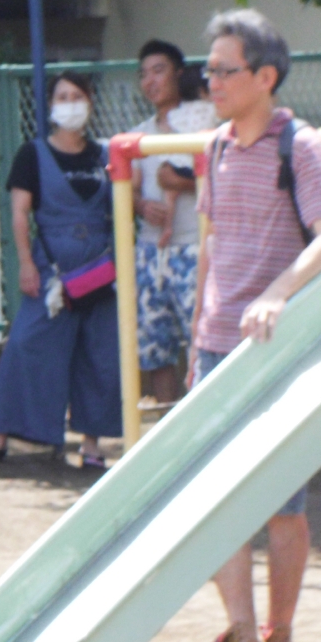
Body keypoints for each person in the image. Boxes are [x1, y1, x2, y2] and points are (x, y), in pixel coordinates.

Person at [191, 9, 321, 642]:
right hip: (216, 347)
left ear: (265, 77)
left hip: (278, 353)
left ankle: (279, 639)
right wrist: (197, 332)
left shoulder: (298, 145)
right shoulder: (216, 145)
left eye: (225, 71)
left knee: (284, 507)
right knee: (218, 500)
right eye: (209, 70)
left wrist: (279, 292)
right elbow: (212, 242)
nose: (213, 82)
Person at [0, 72, 120, 469]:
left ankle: (92, 446)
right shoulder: (32, 154)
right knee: (26, 345)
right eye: (62, 96)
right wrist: (25, 263)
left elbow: (124, 201)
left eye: (77, 96)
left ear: (90, 102)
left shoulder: (105, 154)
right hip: (51, 267)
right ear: (51, 105)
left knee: (99, 354)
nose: (70, 103)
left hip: (100, 269)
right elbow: (19, 213)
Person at [128, 41, 218, 411]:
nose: (150, 80)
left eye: (159, 70)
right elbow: (128, 191)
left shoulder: (207, 124)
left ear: (178, 74)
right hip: (150, 253)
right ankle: (167, 425)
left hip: (196, 249)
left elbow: (221, 178)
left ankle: (207, 420)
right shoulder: (138, 134)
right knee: (155, 348)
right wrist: (141, 205)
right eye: (144, 74)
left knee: (204, 341)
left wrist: (180, 182)